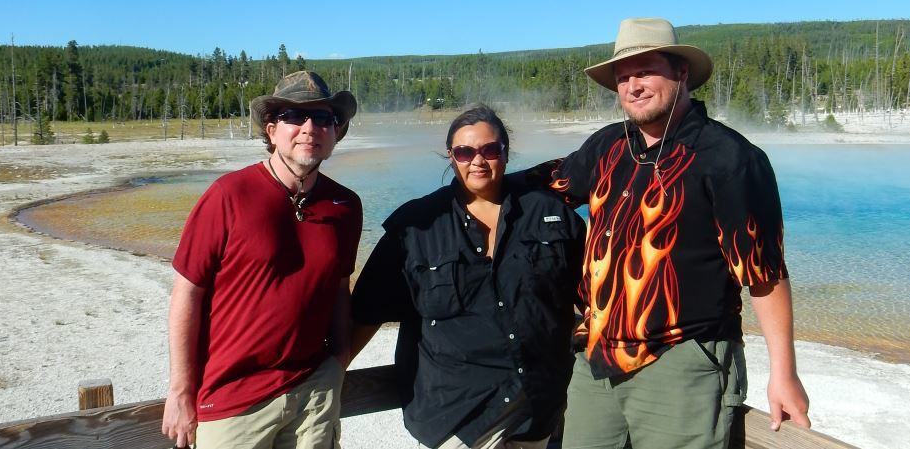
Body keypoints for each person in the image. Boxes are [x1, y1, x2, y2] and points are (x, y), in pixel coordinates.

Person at [526, 18, 810, 449]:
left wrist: (784, 373)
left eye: (645, 71)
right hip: (595, 361)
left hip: (682, 361)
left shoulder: (729, 158)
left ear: (681, 73)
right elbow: (545, 187)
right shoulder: (607, 147)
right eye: (623, 77)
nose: (633, 85)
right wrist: (473, 180)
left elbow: (764, 274)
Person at [350, 105, 586, 449]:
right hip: (456, 418)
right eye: (465, 152)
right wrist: (333, 371)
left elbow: (592, 290)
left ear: (506, 152)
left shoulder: (549, 213)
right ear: (451, 156)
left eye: (490, 149)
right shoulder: (416, 226)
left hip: (537, 410)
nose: (478, 160)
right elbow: (367, 310)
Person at [161, 70, 362, 449]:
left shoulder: (345, 206)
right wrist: (181, 391)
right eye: (294, 116)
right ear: (271, 130)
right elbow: (187, 294)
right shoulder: (228, 195)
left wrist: (338, 360)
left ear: (336, 131)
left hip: (313, 392)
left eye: (323, 118)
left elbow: (339, 288)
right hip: (234, 401)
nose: (309, 127)